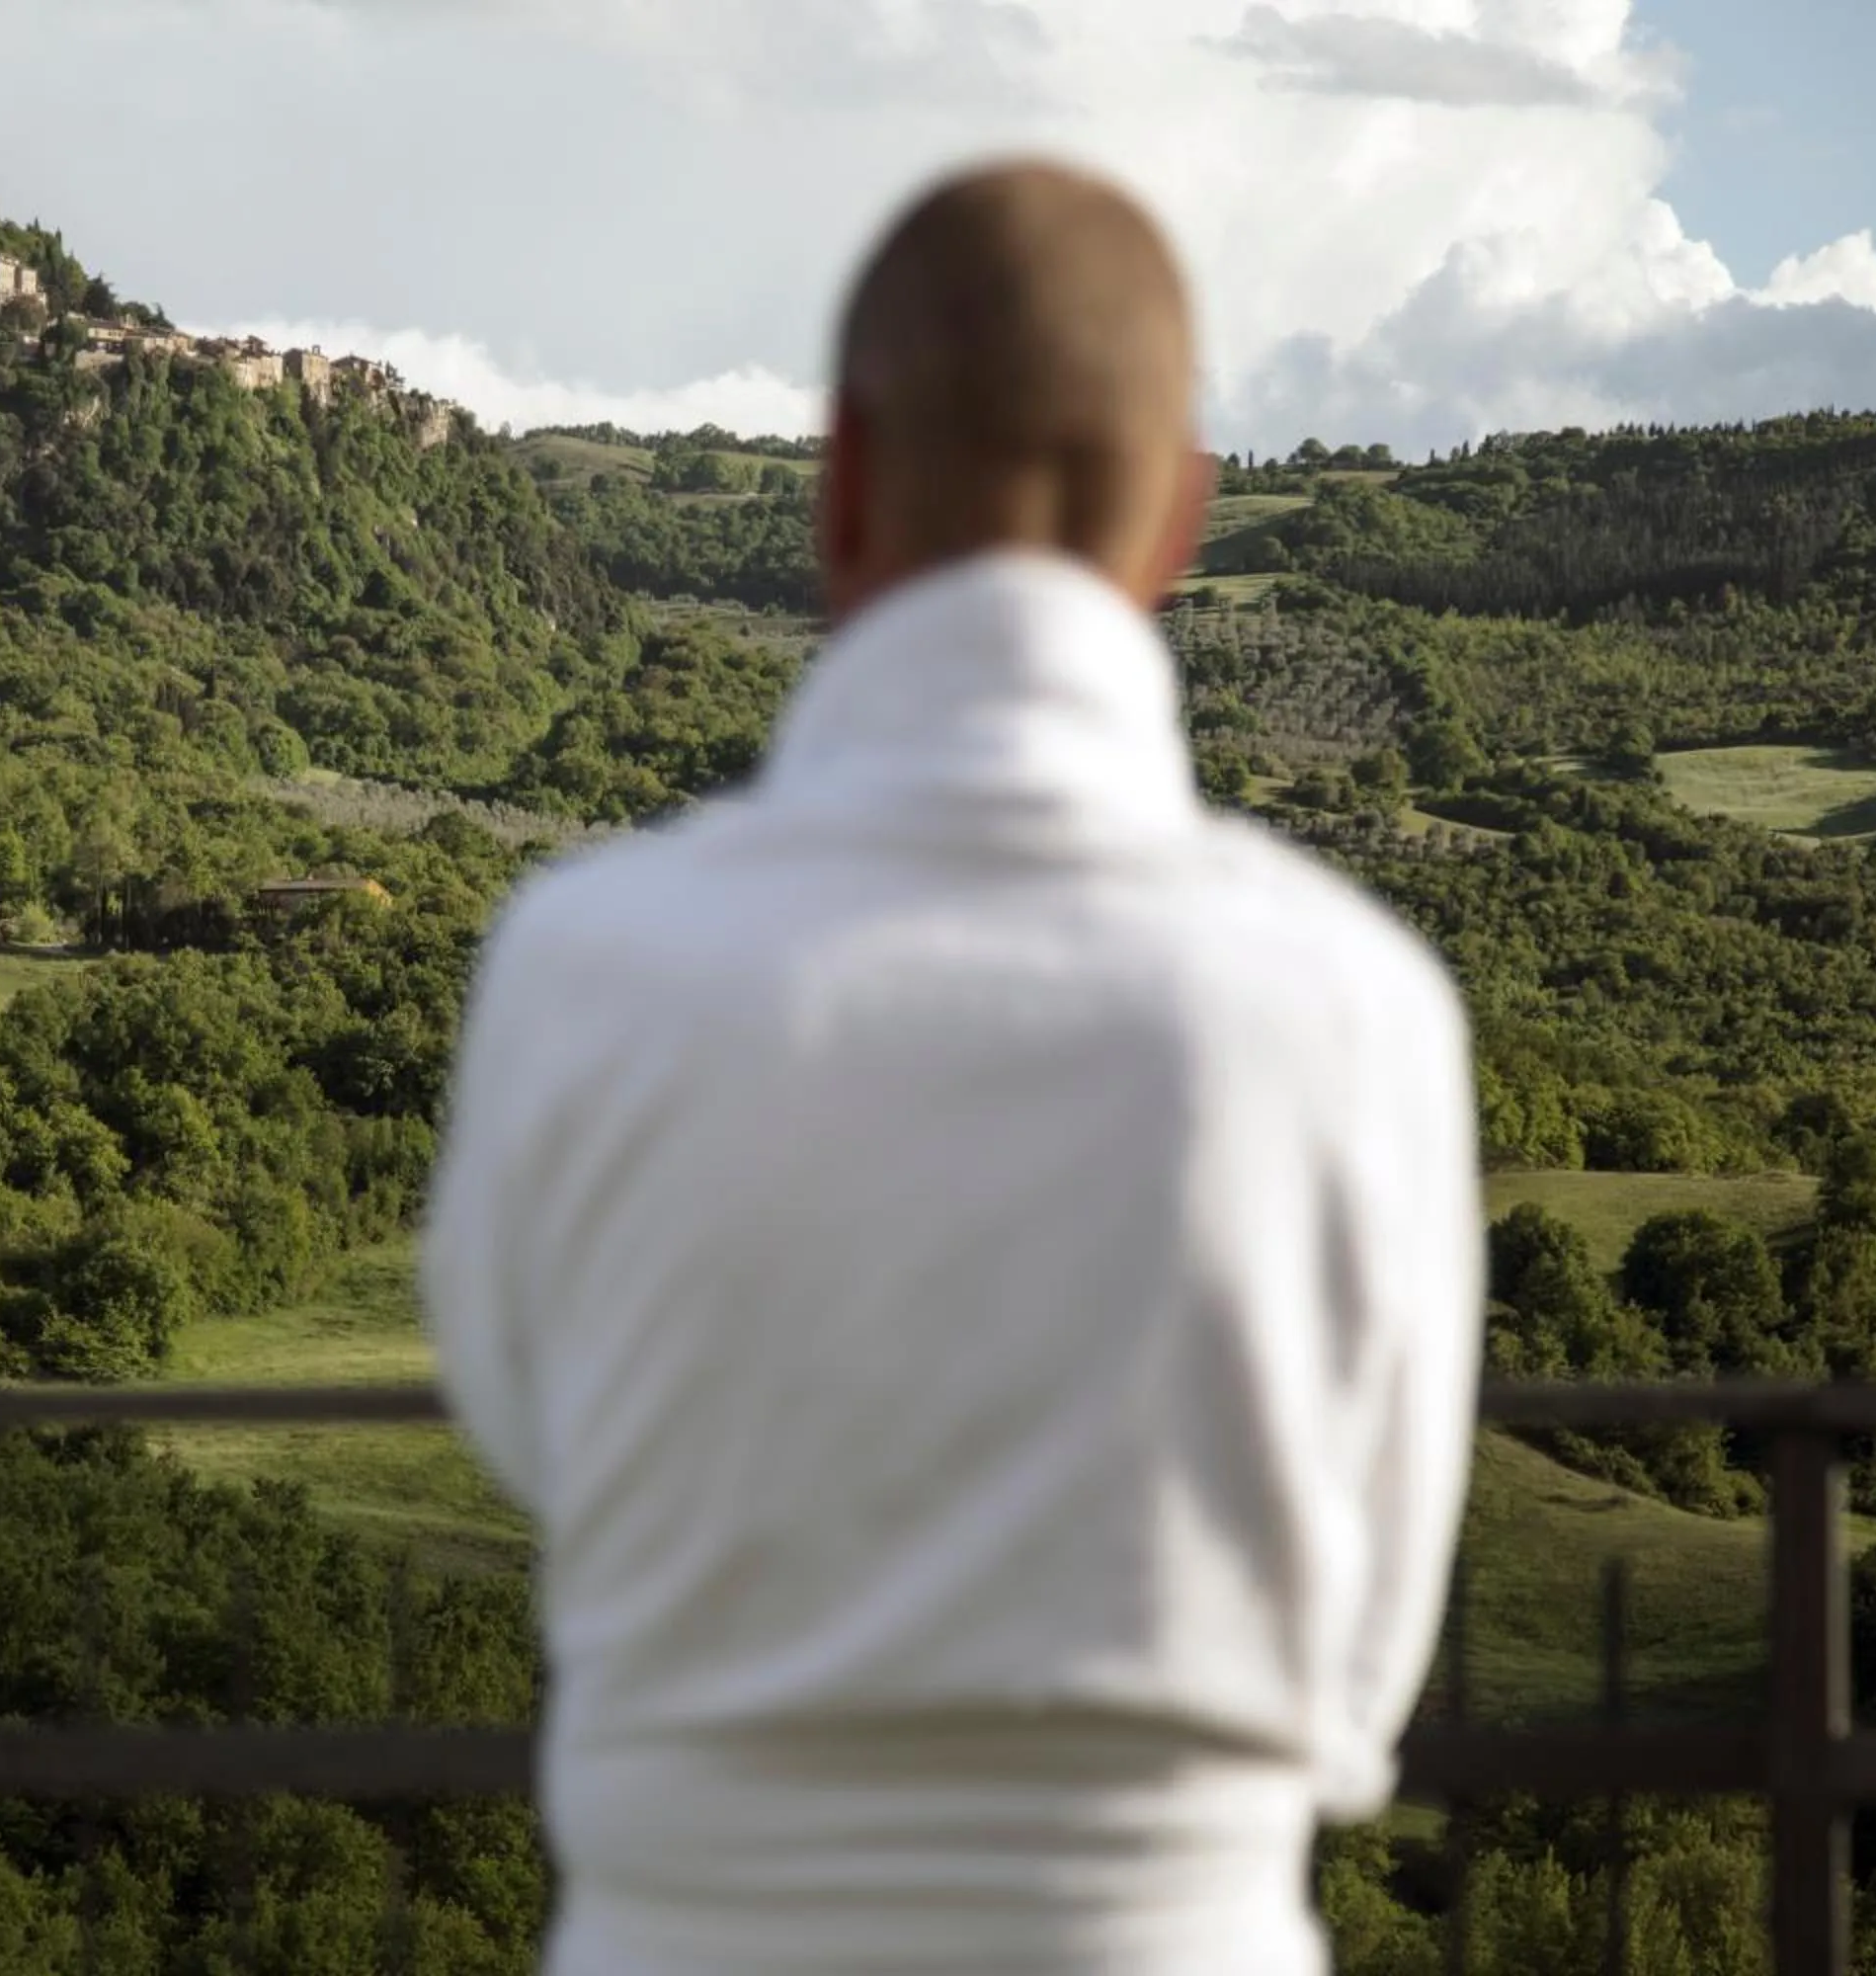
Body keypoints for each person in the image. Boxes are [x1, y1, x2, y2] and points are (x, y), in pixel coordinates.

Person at [422, 160, 1485, 1976]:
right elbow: (1366, 1647)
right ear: (1183, 520)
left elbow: (535, 1430)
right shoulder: (1358, 1007)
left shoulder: (583, 962)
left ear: (835, 482)